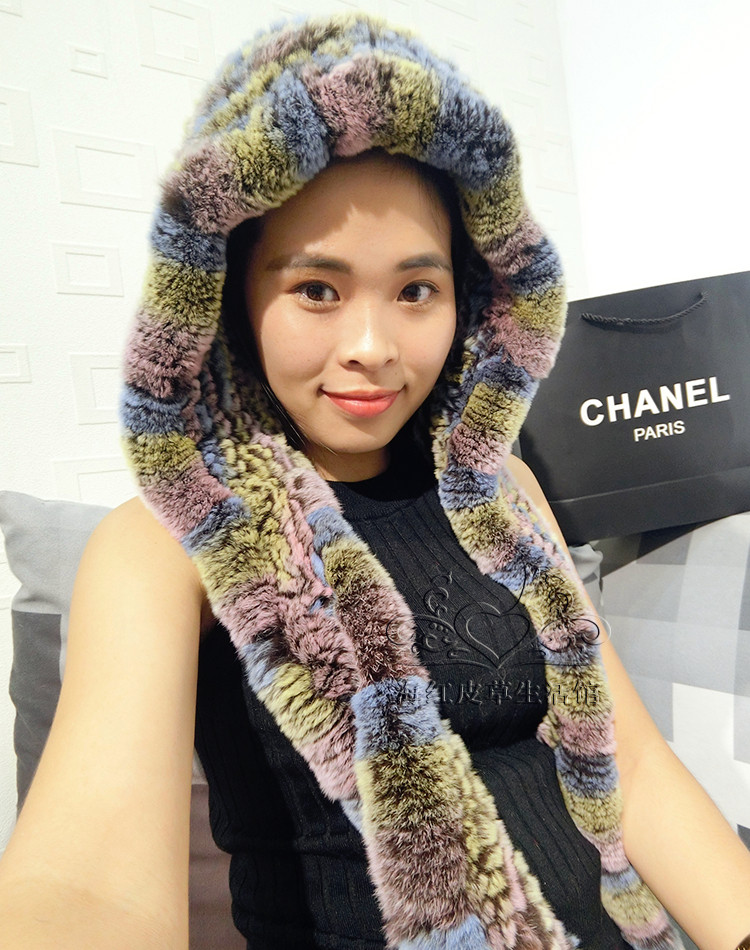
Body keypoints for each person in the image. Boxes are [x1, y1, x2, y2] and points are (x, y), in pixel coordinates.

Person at [0, 11, 749, 950]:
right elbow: (84, 886)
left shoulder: (503, 491)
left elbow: (630, 763)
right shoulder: (170, 543)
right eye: (316, 289)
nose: (372, 347)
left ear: (468, 298)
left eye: (415, 291)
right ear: (230, 296)